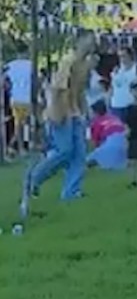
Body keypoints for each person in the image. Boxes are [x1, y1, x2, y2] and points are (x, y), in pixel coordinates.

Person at [27, 31, 96, 201]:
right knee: (64, 151)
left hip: (76, 113)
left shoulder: (85, 64)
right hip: (61, 112)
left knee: (79, 154)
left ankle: (71, 192)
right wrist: (60, 113)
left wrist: (85, 111)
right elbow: (59, 90)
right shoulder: (68, 61)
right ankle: (35, 178)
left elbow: (80, 91)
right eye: (89, 40)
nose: (92, 44)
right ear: (79, 41)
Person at [5, 42, 34, 157]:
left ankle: (20, 147)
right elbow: (35, 80)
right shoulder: (30, 65)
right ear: (26, 52)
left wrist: (10, 89)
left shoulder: (10, 65)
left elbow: (5, 80)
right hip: (27, 97)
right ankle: (13, 146)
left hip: (15, 98)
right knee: (25, 124)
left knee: (19, 124)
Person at [109, 46, 137, 123]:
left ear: (130, 56)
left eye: (124, 56)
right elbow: (112, 88)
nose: (122, 59)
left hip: (132, 105)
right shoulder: (116, 70)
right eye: (120, 56)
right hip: (116, 106)